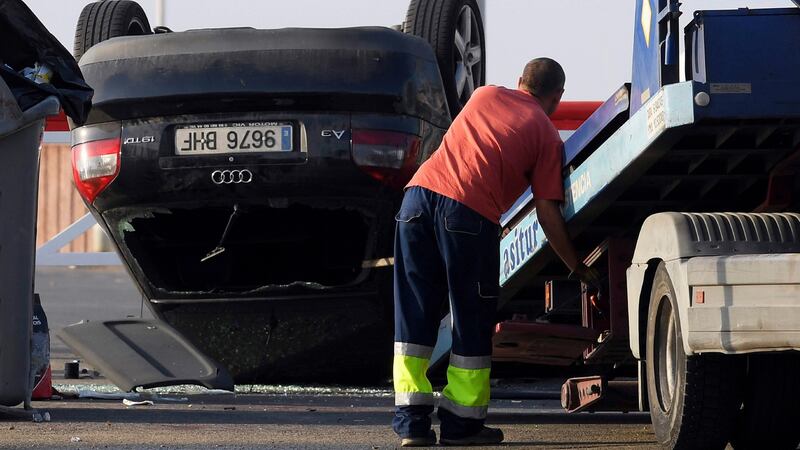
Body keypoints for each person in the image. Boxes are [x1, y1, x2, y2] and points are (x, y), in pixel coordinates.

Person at [391, 57, 600, 446]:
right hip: (467, 215)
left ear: (520, 80)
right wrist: (576, 265)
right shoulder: (545, 133)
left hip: (415, 202)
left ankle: (411, 425)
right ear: (558, 97)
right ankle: (461, 425)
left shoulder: (483, 94)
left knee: (414, 316)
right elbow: (547, 212)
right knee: (470, 317)